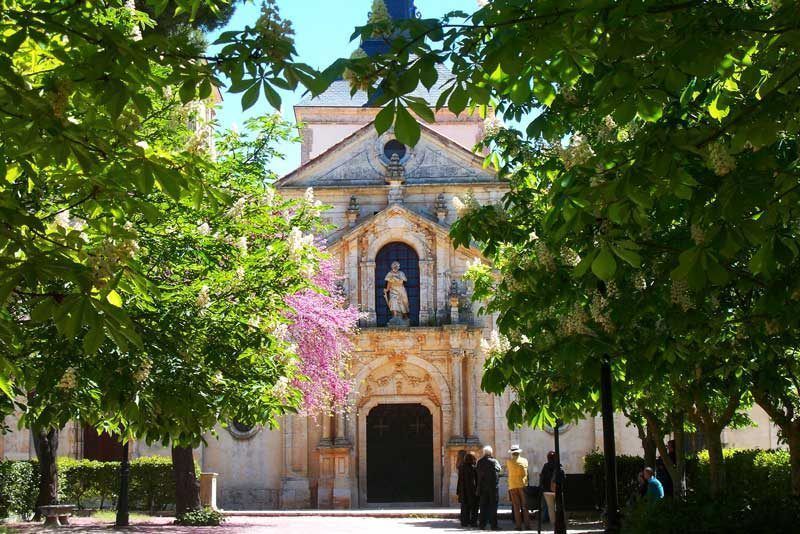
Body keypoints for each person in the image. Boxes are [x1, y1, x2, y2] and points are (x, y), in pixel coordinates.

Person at [506, 445, 532, 531]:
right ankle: (527, 525)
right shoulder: (525, 461)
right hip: (523, 485)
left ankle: (518, 526)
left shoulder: (509, 462)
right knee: (525, 506)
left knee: (516, 507)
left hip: (513, 486)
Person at [476, 445, 502, 530]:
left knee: (483, 506)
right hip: (492, 488)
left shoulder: (479, 462)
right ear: (491, 452)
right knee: (493, 506)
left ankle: (482, 525)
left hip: (482, 488)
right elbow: (499, 471)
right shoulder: (494, 461)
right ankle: (493, 525)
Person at [457, 451, 479, 527]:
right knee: (474, 507)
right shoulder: (474, 468)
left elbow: (459, 480)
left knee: (464, 507)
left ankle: (464, 522)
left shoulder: (461, 467)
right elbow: (476, 480)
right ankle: (473, 522)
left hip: (463, 490)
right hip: (472, 491)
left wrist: (458, 491)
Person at [538, 451, 557, 524]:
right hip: (555, 490)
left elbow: (542, 477)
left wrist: (541, 486)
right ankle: (554, 520)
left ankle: (545, 519)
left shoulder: (546, 466)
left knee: (546, 506)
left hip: (546, 490)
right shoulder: (558, 465)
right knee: (555, 506)